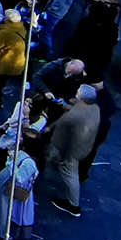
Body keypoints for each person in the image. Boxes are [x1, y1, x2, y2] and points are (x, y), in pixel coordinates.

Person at [45, 87, 99, 218]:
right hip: (84, 148)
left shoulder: (73, 118)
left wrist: (65, 157)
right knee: (53, 160)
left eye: (78, 93)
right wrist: (67, 106)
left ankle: (73, 206)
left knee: (69, 174)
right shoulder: (94, 108)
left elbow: (64, 128)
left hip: (70, 152)